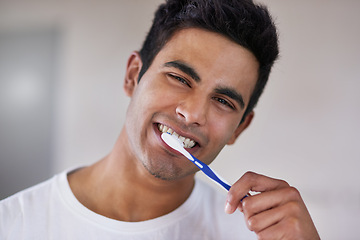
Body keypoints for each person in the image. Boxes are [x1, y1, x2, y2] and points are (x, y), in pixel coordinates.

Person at [0, 0, 320, 239]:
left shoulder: (256, 235)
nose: (193, 114)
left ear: (240, 127)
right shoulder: (14, 223)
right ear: (133, 75)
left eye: (222, 101)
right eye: (179, 78)